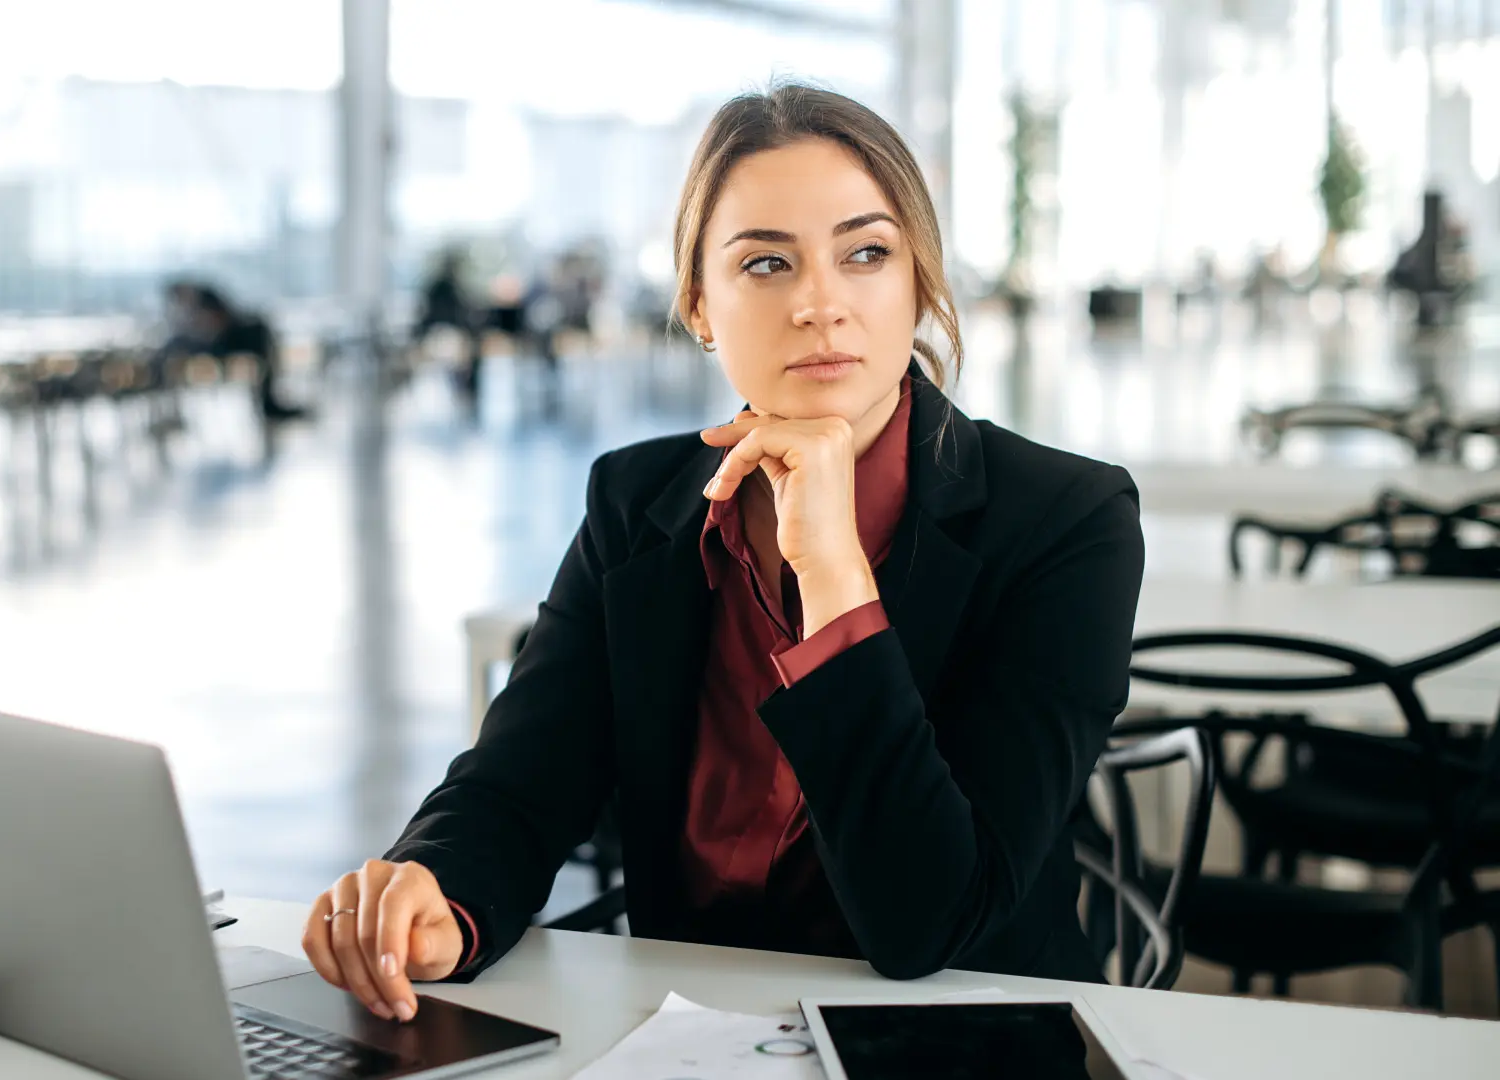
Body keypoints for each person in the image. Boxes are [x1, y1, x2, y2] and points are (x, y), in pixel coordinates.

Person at [298, 84, 1144, 1023]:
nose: (821, 304)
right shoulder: (637, 503)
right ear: (701, 306)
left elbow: (930, 924)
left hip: (954, 1042)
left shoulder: (1067, 521)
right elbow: (523, 779)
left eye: (866, 253)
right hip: (682, 1035)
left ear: (919, 284)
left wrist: (831, 574)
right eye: (767, 264)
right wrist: (437, 893)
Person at [156, 282, 308, 423]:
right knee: (259, 333)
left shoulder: (206, 299)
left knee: (259, 332)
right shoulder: (187, 311)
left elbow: (219, 324)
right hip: (214, 345)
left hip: (226, 340)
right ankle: (270, 405)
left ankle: (270, 405)